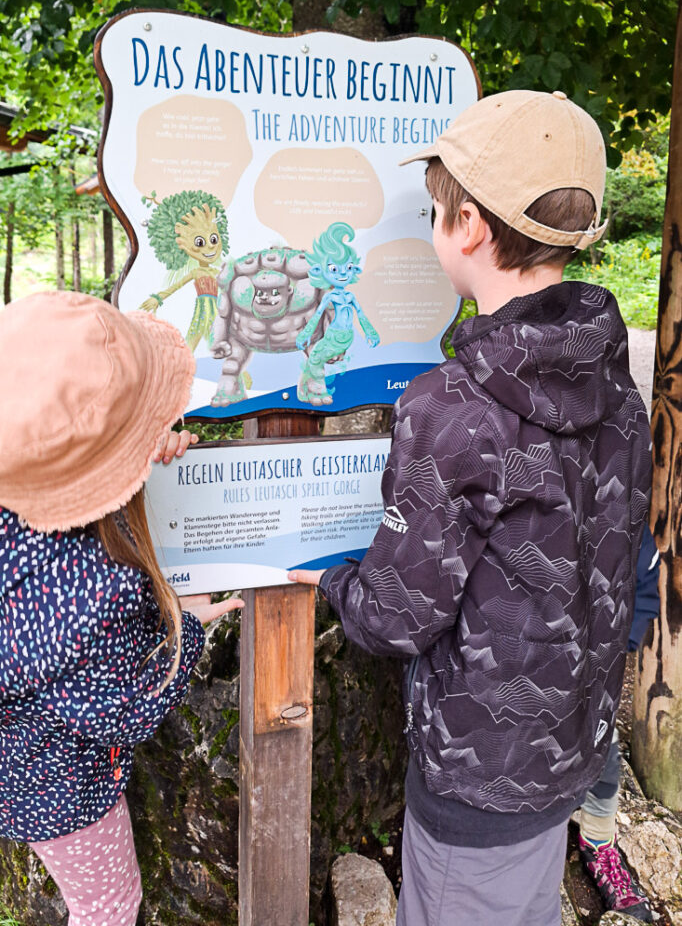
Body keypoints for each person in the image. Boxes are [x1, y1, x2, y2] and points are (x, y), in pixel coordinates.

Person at [289, 89, 652, 926]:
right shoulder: (613, 385)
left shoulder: (451, 408)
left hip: (477, 777)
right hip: (567, 747)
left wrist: (329, 582)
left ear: (469, 229)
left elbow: (396, 617)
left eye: (434, 207)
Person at [0, 290, 243, 926]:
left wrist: (134, 462)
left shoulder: (15, 470)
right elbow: (124, 709)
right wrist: (185, 627)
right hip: (53, 787)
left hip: (20, 755)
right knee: (107, 904)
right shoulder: (90, 592)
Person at [577, 523, 660, 922]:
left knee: (604, 756)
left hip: (597, 667)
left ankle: (597, 840)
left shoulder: (624, 502)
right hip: (531, 667)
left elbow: (645, 570)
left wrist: (619, 642)